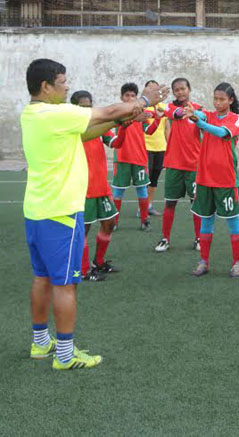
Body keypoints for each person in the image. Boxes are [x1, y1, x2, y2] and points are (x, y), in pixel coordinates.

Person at [21, 58, 168, 370]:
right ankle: (64, 354)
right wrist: (144, 100)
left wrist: (120, 123)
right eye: (62, 82)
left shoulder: (35, 114)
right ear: (46, 87)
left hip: (37, 211)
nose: (67, 86)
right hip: (60, 213)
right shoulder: (56, 112)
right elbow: (110, 110)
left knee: (42, 277)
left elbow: (85, 133)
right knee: (65, 284)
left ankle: (40, 342)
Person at [188, 83, 239, 278]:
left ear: (230, 100)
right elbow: (200, 115)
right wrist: (195, 115)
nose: (218, 102)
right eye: (215, 99)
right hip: (204, 178)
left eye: (222, 99)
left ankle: (237, 263)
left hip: (226, 179)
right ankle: (204, 261)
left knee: (232, 221)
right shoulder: (208, 115)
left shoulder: (236, 120)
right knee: (206, 221)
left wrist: (200, 123)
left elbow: (221, 133)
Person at [71, 90, 120, 282]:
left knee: (109, 224)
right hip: (83, 188)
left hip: (101, 187)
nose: (86, 110)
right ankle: (83, 270)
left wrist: (127, 126)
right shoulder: (74, 128)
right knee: (84, 229)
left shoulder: (99, 125)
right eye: (82, 107)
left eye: (89, 106)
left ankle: (99, 263)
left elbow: (114, 142)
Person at [155, 77, 204, 252]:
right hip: (174, 164)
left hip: (194, 164)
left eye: (183, 88)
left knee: (196, 203)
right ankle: (165, 239)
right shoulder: (169, 108)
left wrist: (198, 116)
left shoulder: (199, 110)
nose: (180, 92)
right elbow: (175, 113)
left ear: (189, 89)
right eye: (177, 90)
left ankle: (199, 238)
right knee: (170, 203)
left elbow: (206, 128)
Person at [111, 82, 164, 232]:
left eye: (133, 95)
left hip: (140, 159)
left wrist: (158, 119)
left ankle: (144, 220)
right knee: (118, 191)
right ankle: (114, 222)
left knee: (142, 190)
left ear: (136, 98)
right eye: (127, 95)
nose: (129, 98)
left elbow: (150, 131)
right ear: (121, 97)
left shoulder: (142, 115)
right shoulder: (117, 113)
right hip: (122, 158)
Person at [143, 79, 168, 217]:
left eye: (156, 89)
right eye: (150, 88)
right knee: (145, 180)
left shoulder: (162, 107)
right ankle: (142, 207)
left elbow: (166, 128)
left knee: (154, 179)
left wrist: (169, 147)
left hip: (160, 147)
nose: (153, 91)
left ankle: (149, 205)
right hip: (146, 147)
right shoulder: (142, 107)